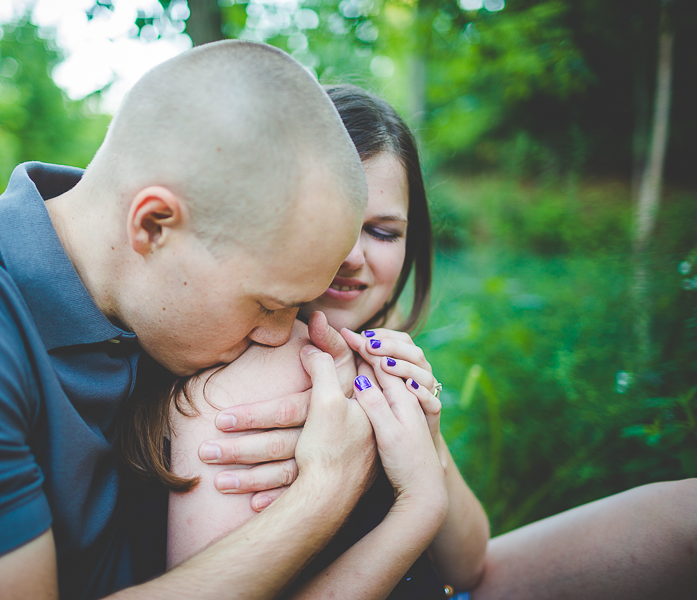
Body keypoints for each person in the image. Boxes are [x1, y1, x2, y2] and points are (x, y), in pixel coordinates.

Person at [0, 41, 383, 600]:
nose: (280, 335)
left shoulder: (153, 317)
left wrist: (414, 500)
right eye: (268, 305)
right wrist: (323, 492)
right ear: (152, 225)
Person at [135, 84, 697, 599]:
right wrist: (414, 508)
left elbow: (469, 564)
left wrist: (428, 444)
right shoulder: (239, 383)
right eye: (333, 222)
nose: (353, 254)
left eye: (383, 232)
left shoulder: (378, 358)